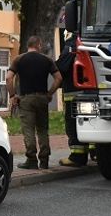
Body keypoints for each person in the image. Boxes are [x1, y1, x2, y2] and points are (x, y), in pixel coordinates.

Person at [6, 35, 62, 170]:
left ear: (28, 45)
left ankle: (31, 159)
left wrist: (13, 95)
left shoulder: (19, 59)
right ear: (39, 45)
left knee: (28, 130)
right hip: (42, 98)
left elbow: (8, 78)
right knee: (43, 129)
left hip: (26, 99)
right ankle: (44, 160)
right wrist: (49, 94)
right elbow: (59, 78)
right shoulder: (47, 60)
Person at [55, 32, 90, 167]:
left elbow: (62, 66)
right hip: (88, 91)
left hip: (73, 92)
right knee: (89, 121)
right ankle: (95, 153)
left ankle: (77, 156)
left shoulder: (71, 44)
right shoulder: (87, 41)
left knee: (73, 123)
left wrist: (53, 65)